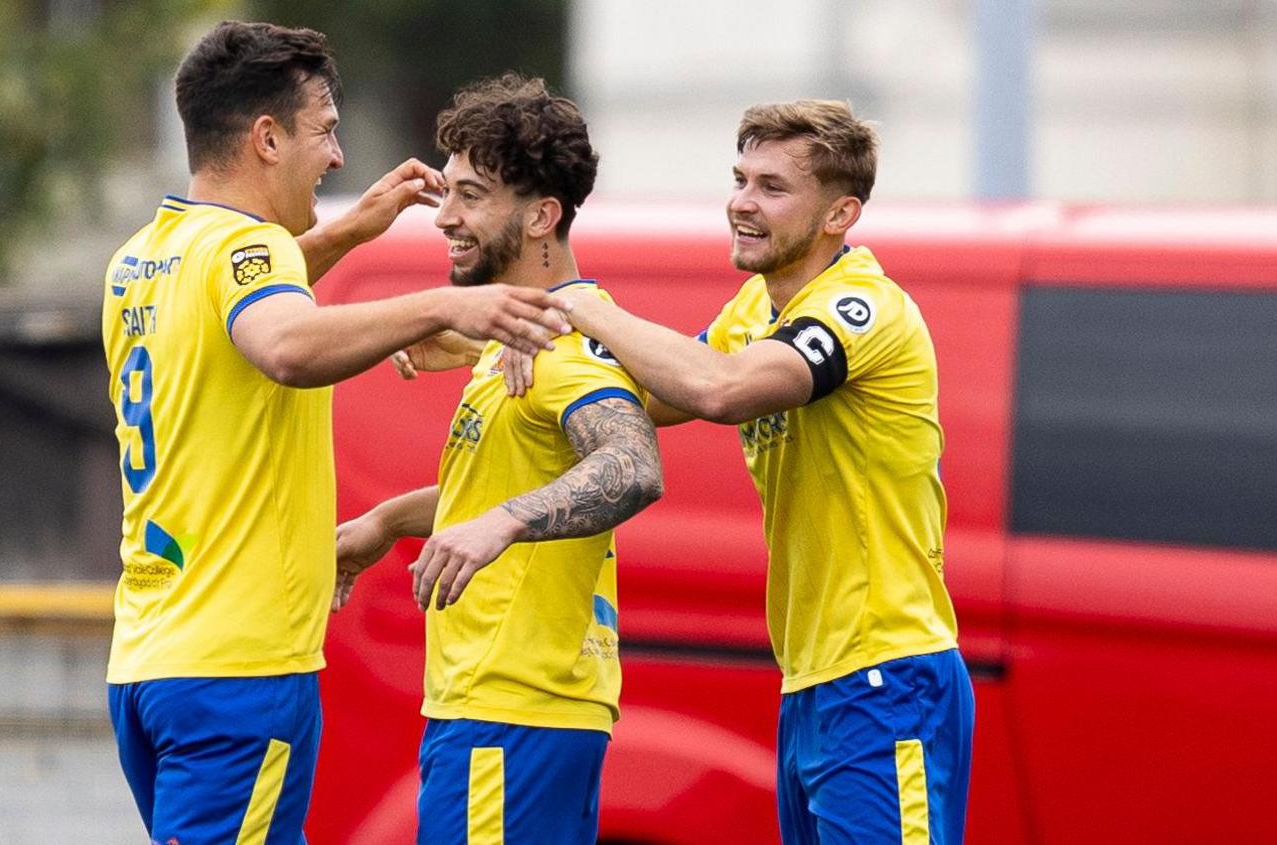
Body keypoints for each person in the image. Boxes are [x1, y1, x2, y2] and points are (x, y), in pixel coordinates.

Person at [101, 23, 572, 845]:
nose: (339, 157)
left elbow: (246, 300)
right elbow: (281, 343)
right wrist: (443, 304)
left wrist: (351, 232)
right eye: (325, 130)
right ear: (267, 137)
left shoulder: (146, 256)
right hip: (239, 667)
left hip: (149, 660)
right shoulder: (249, 251)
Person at [528, 100, 974, 843]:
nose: (740, 202)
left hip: (887, 674)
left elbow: (721, 389)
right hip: (813, 682)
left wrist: (580, 301)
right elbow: (652, 389)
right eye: (739, 179)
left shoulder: (862, 305)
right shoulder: (754, 310)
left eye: (771, 186)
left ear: (840, 214)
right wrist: (499, 334)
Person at [332, 74, 663, 845]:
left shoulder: (561, 348)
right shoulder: (518, 335)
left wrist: (504, 523)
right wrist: (386, 520)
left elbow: (633, 464)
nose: (444, 216)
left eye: (470, 195)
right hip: (510, 715)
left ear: (543, 214)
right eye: (446, 192)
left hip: (510, 717)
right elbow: (502, 486)